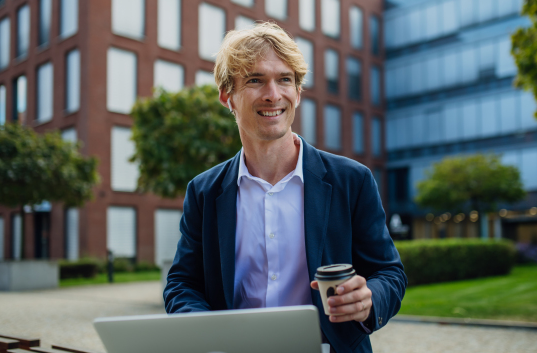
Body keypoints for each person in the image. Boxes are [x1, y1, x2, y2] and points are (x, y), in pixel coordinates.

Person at [164, 22, 407, 353]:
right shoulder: (203, 192)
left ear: (297, 91)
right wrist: (208, 333)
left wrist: (369, 300)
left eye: (284, 80)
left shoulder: (353, 180)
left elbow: (388, 273)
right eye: (255, 80)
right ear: (227, 96)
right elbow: (182, 284)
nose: (272, 94)